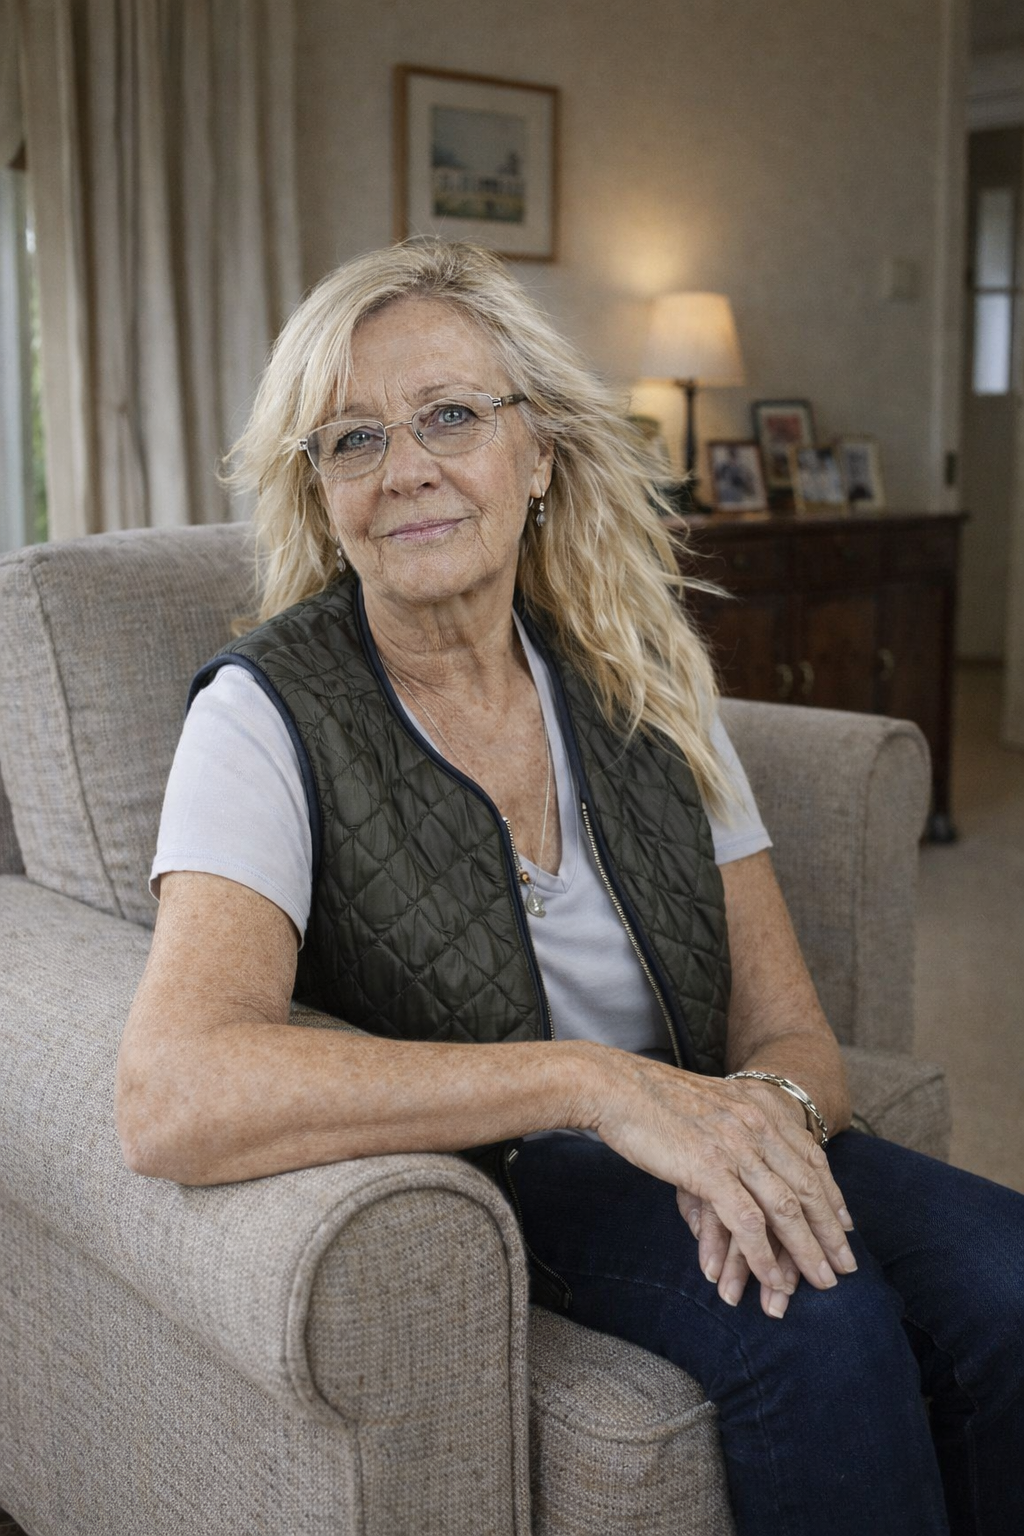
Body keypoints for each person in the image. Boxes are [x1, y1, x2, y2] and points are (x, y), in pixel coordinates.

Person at [117, 238, 1024, 1536]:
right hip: (496, 1165)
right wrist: (597, 1085)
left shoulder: (644, 681)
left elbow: (788, 1032)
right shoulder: (263, 716)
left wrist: (747, 1133)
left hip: (695, 1122)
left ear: (538, 453)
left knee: (1008, 1280)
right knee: (812, 1318)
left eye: (449, 417)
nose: (408, 467)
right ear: (319, 495)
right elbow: (170, 1092)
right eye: (352, 440)